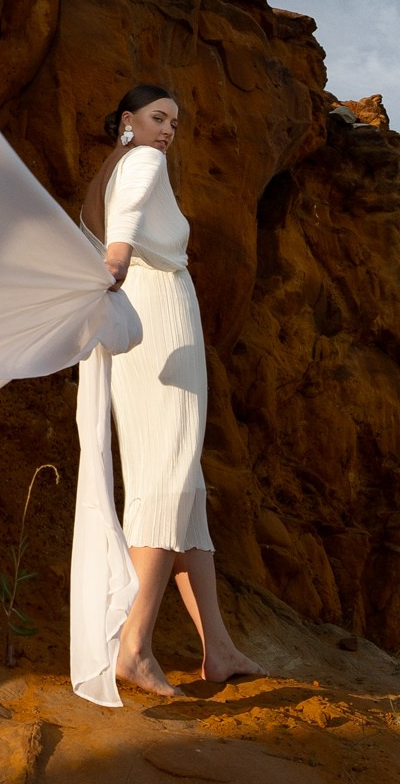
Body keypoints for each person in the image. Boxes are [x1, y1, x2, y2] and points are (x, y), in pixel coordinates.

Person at [78, 83, 262, 697]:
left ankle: (219, 648)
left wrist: (115, 264)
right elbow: (126, 221)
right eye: (158, 117)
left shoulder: (105, 175)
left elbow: (104, 219)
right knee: (169, 476)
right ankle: (133, 647)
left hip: (132, 323)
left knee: (182, 484)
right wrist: (118, 258)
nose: (168, 131)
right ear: (127, 119)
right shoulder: (142, 163)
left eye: (175, 124)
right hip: (161, 315)